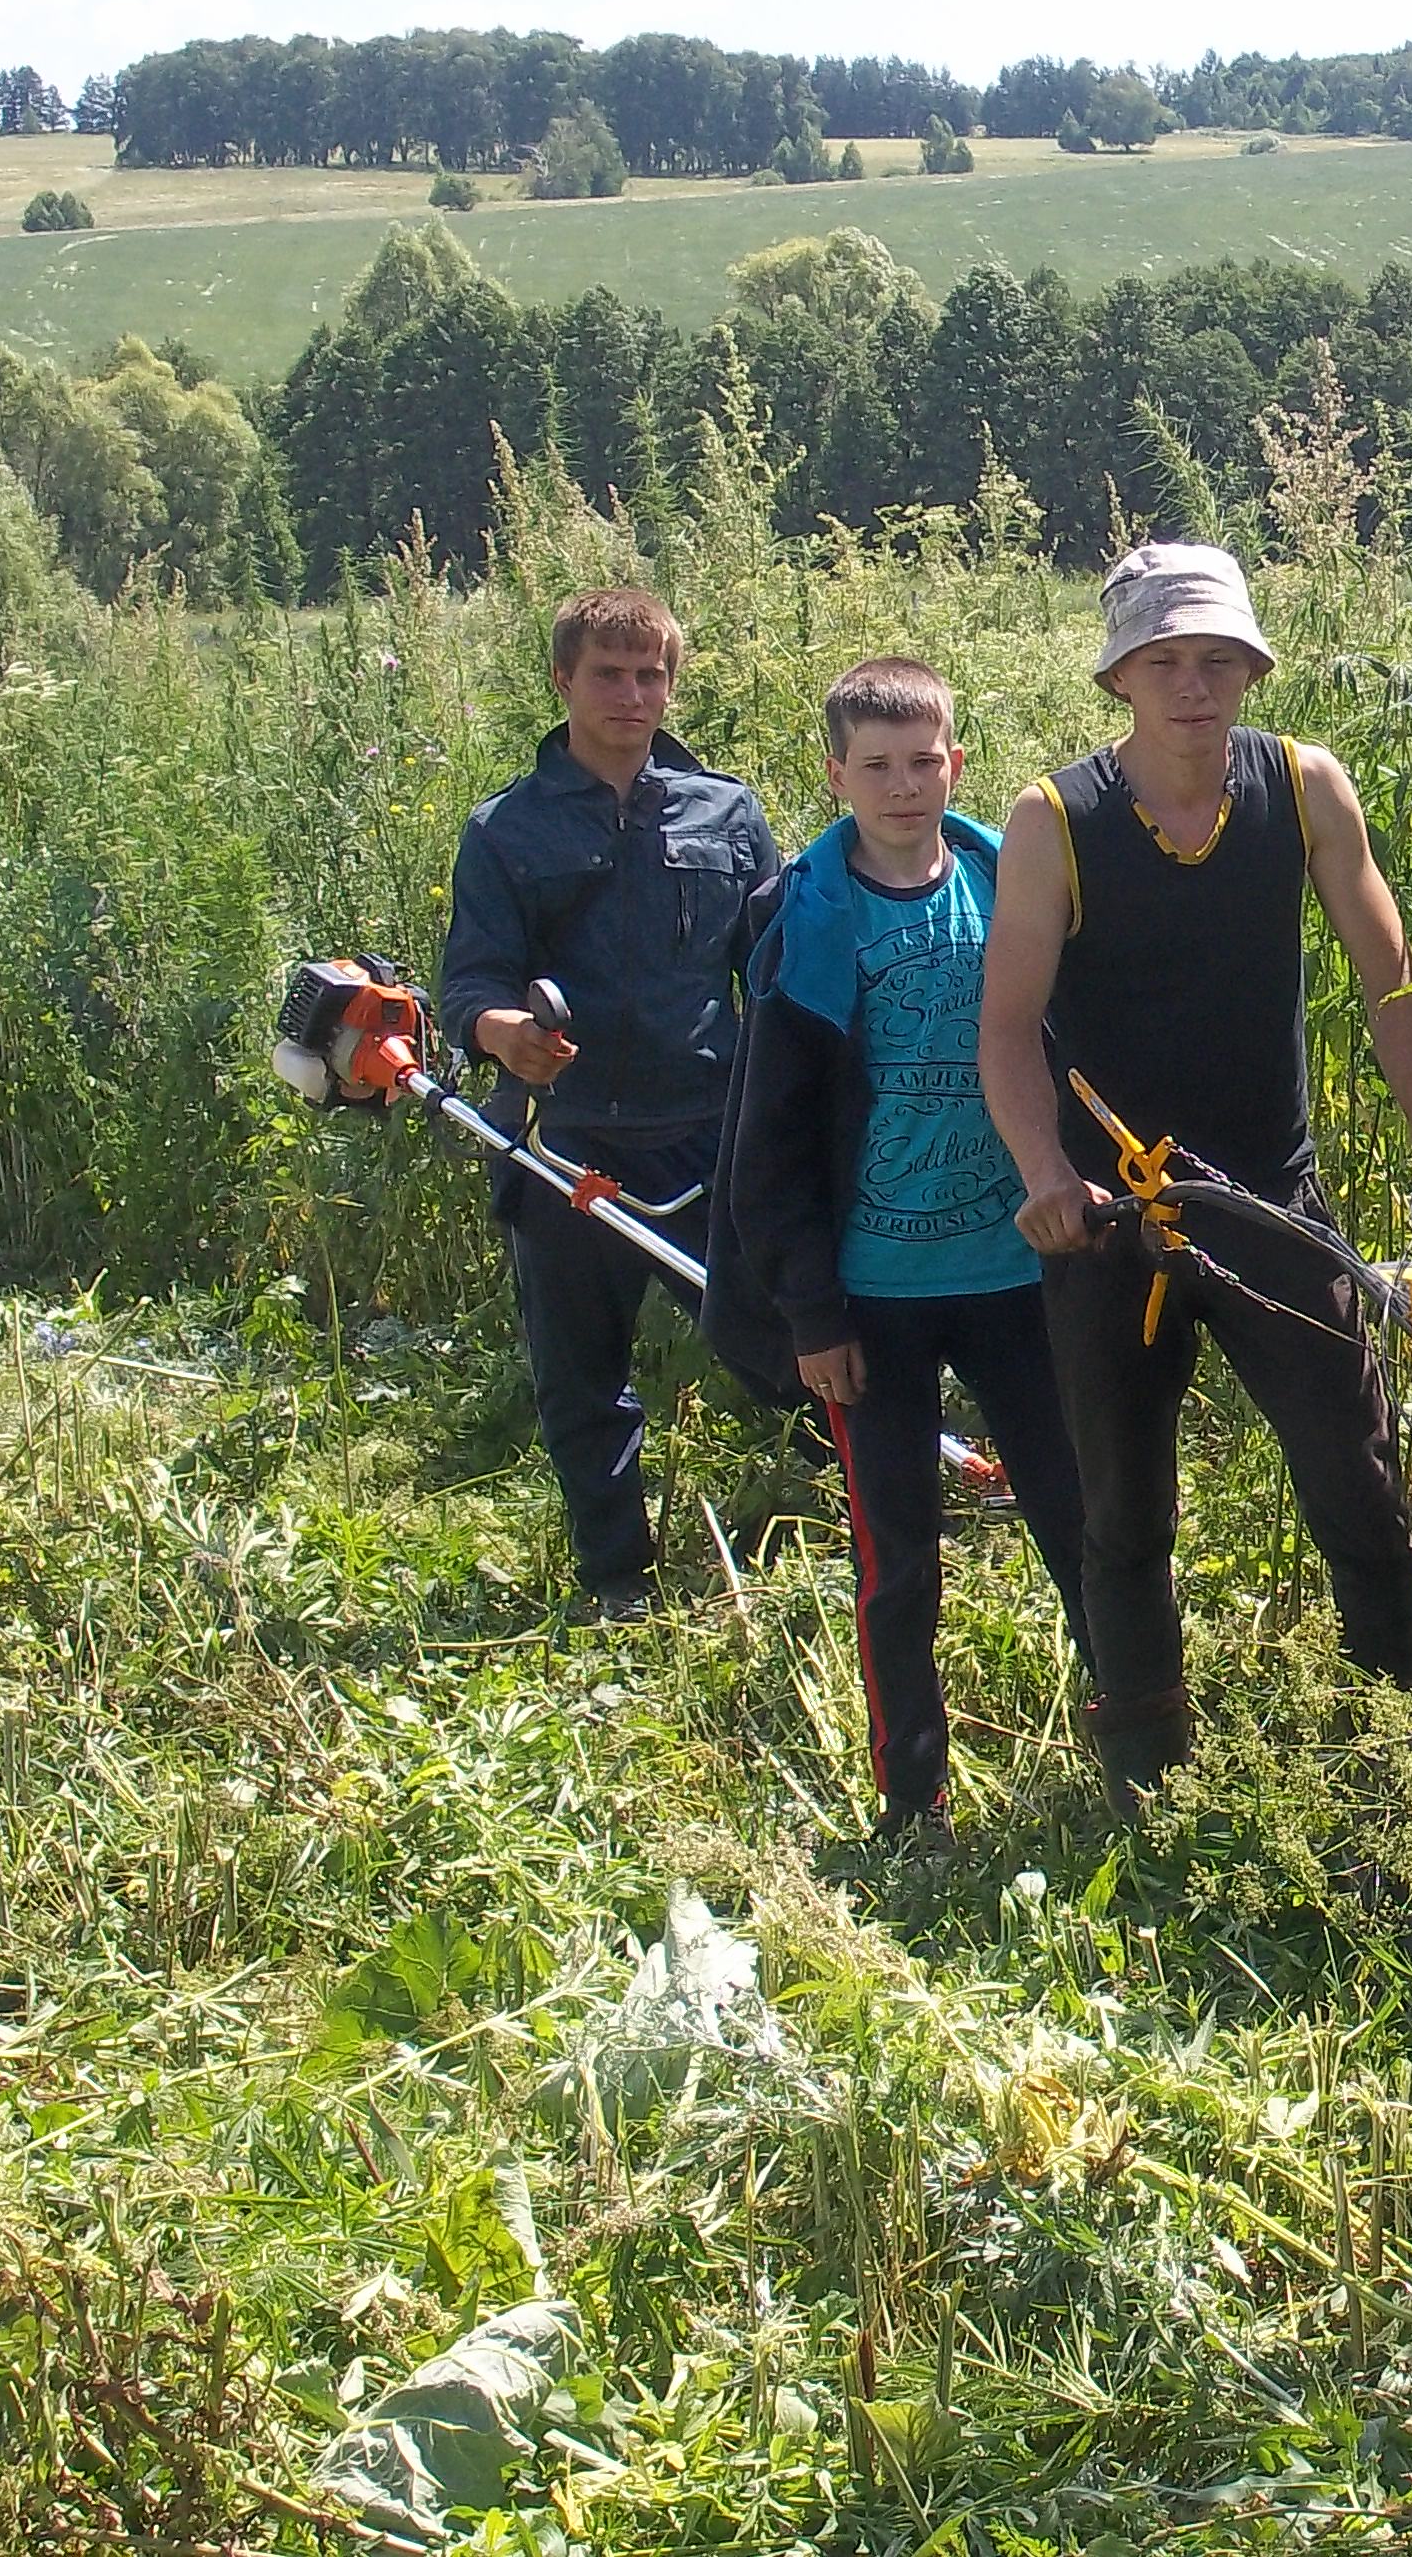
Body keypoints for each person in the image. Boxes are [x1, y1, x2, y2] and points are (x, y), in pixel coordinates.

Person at [982, 542, 1412, 1802]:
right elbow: (1004, 1027)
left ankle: (1396, 1762)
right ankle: (1149, 1790)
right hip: (1110, 1218)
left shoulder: (1304, 788)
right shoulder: (1055, 822)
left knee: (1356, 1484)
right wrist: (1045, 1173)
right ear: (1119, 676)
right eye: (1163, 661)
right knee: (1123, 1514)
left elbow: (1391, 977)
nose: (1193, 686)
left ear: (1253, 669)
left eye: (1218, 659)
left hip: (1271, 1201)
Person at [721, 657, 1090, 1855]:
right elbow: (769, 1145)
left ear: (955, 764)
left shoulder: (1004, 883)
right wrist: (811, 1314)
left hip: (1014, 1274)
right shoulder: (807, 922)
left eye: (923, 761)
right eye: (875, 765)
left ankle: (1132, 1743)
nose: (902, 785)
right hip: (873, 1298)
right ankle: (911, 1803)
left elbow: (1073, 1054)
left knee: (1077, 1516)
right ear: (835, 775)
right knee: (899, 1558)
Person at [441, 586, 778, 1621]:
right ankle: (617, 1579)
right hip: (564, 1142)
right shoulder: (505, 829)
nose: (631, 694)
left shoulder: (726, 813)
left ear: (671, 684)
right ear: (562, 680)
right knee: (582, 1377)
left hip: (708, 1137)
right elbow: (467, 986)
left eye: (650, 675)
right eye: (608, 675)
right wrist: (503, 1033)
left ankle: (868, 1511)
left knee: (784, 1342)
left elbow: (775, 975)